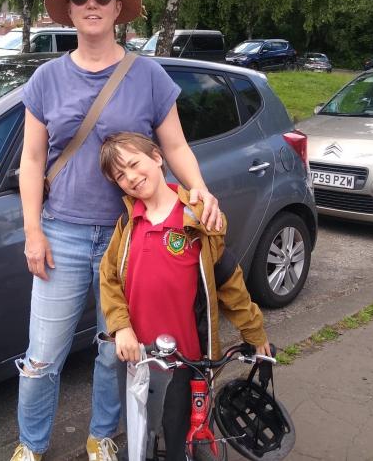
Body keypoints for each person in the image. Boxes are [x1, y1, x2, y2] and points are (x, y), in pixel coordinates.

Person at [13, 0, 223, 461]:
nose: (91, 4)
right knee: (42, 357)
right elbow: (32, 158)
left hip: (129, 235)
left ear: (117, 8)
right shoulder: (47, 78)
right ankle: (31, 446)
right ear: (68, 9)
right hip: (60, 231)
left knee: (114, 350)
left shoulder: (147, 75)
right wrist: (32, 233)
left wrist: (201, 191)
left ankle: (102, 436)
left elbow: (174, 147)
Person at [98, 132, 271, 461]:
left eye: (134, 164)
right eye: (120, 175)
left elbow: (229, 283)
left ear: (157, 158)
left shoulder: (199, 222)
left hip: (184, 362)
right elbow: (109, 280)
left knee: (180, 440)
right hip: (138, 359)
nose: (131, 177)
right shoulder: (127, 225)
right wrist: (121, 328)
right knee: (140, 435)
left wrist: (254, 331)